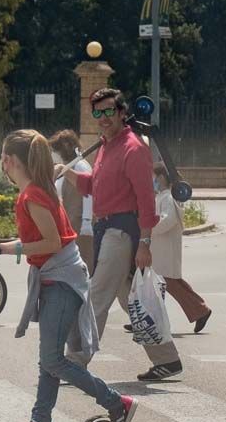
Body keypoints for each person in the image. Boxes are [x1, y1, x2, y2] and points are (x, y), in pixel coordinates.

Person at [0, 130, 136, 422]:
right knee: (50, 359)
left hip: (61, 281)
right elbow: (40, 241)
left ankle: (117, 403)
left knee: (53, 361)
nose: (1, 163)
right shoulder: (37, 191)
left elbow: (50, 242)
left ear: (12, 161)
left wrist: (2, 248)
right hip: (57, 278)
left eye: (3, 157)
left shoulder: (32, 196)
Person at [65, 88, 182, 381]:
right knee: (133, 302)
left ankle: (75, 360)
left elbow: (146, 201)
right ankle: (167, 359)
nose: (103, 118)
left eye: (108, 111)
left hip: (122, 231)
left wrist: (145, 243)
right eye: (98, 113)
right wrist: (65, 172)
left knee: (96, 295)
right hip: (107, 229)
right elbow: (95, 185)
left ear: (121, 112)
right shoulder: (107, 146)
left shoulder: (133, 148)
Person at [152, 162, 212, 333]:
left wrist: (149, 229)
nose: (151, 181)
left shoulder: (168, 198)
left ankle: (200, 311)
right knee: (163, 284)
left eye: (153, 177)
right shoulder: (163, 197)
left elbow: (167, 220)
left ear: (161, 178)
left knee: (168, 283)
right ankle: (151, 319)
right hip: (162, 249)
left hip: (165, 249)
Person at [50, 130, 95, 273]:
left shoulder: (81, 165)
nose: (54, 153)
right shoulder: (68, 166)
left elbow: (89, 195)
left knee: (84, 262)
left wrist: (87, 222)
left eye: (55, 150)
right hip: (71, 222)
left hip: (80, 222)